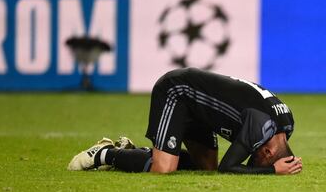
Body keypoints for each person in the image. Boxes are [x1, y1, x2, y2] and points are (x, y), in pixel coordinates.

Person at [68, 68, 302, 175]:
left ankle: (140, 152)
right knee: (163, 169)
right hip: (177, 91)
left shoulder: (286, 121)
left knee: (205, 167)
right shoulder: (261, 126)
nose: (252, 158)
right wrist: (271, 171)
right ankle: (105, 154)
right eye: (258, 158)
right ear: (270, 153)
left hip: (199, 105)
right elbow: (227, 168)